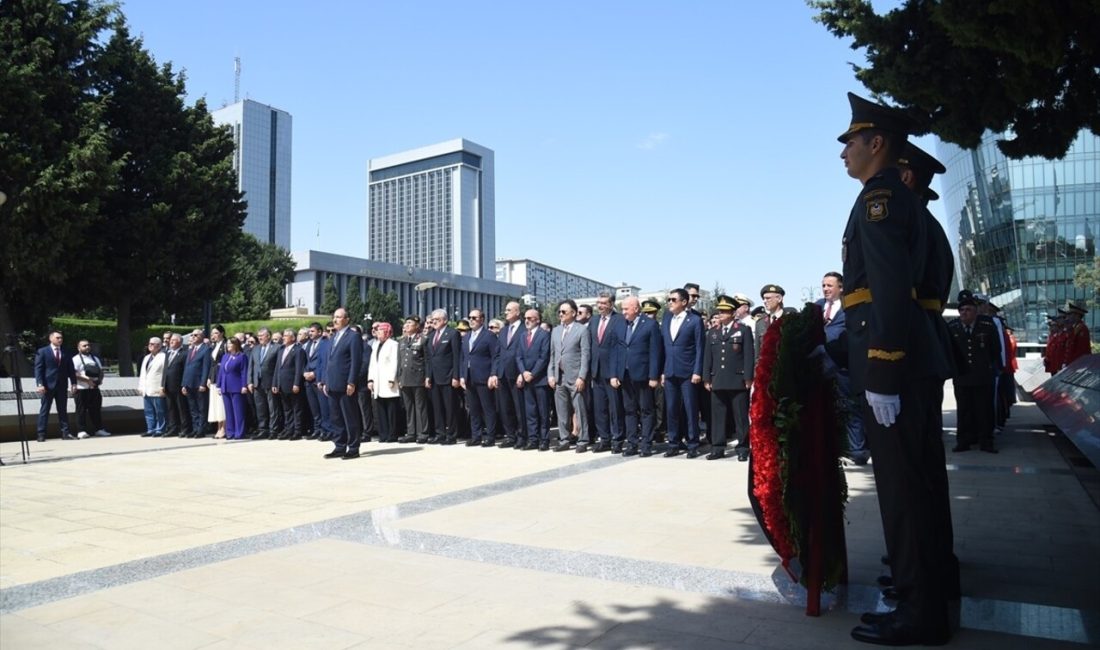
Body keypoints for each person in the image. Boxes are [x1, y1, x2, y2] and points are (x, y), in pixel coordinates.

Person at [835, 93, 954, 646]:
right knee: (919, 486)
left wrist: (881, 372)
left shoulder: (879, 200)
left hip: (894, 366)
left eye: (850, 142)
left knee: (904, 491)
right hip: (911, 359)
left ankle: (918, 612)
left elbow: (886, 291)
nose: (843, 153)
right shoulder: (892, 201)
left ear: (877, 143)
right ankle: (926, 593)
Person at [817, 272, 869, 464]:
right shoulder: (817, 307)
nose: (825, 289)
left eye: (830, 285)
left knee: (851, 408)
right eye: (823, 285)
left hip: (844, 366)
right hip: (821, 367)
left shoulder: (850, 308)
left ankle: (858, 450)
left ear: (841, 287)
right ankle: (833, 448)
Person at [947, 291, 1002, 453]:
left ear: (975, 311)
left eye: (968, 309)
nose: (964, 313)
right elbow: (949, 351)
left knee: (984, 410)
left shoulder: (987, 325)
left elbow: (995, 349)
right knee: (964, 410)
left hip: (983, 376)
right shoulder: (953, 327)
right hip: (962, 377)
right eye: (962, 310)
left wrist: (988, 367)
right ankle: (963, 440)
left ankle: (986, 441)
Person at [701, 295, 754, 461]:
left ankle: (743, 447)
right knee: (717, 415)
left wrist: (748, 377)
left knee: (740, 415)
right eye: (720, 311)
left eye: (725, 311)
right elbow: (708, 357)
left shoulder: (742, 330)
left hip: (737, 380)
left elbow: (748, 356)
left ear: (732, 312)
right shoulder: (713, 333)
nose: (721, 314)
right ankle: (717, 447)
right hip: (718, 379)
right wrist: (706, 378)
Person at [610, 296, 662, 457]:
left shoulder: (650, 324)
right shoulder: (619, 324)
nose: (623, 312)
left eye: (626, 309)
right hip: (624, 375)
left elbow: (655, 352)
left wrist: (654, 376)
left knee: (646, 410)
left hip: (643, 375)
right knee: (629, 410)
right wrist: (614, 374)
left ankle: (646, 444)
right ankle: (632, 444)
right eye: (622, 308)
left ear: (636, 309)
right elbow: (615, 351)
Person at [660, 288, 705, 458]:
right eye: (669, 299)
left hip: (688, 372)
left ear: (684, 302)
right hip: (670, 371)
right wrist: (662, 371)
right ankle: (673, 443)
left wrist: (697, 371)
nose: (670, 302)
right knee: (671, 409)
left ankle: (693, 443)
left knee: (690, 409)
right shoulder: (666, 319)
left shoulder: (694, 320)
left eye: (673, 299)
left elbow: (700, 348)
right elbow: (664, 348)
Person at [549, 299, 590, 452]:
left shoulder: (582, 330)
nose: (560, 314)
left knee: (579, 409)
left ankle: (583, 439)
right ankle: (564, 439)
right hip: (559, 377)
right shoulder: (556, 331)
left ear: (573, 313)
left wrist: (582, 376)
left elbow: (586, 355)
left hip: (575, 376)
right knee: (561, 410)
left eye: (563, 312)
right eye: (559, 312)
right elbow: (552, 355)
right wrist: (551, 375)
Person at [323, 307, 363, 459]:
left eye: (339, 317)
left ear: (347, 319)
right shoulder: (333, 337)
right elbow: (329, 361)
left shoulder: (353, 337)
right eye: (334, 317)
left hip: (346, 383)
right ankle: (339, 445)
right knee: (336, 417)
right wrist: (326, 381)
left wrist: (351, 382)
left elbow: (356, 361)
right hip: (332, 383)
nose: (335, 320)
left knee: (350, 416)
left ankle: (353, 447)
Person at [589, 291, 625, 452]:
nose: (600, 305)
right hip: (596, 371)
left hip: (612, 373)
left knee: (615, 408)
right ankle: (604, 439)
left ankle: (617, 440)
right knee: (600, 408)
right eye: (599, 302)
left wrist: (615, 373)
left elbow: (620, 348)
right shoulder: (594, 320)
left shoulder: (619, 320)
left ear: (611, 304)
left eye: (604, 303)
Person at [460, 308, 499, 446]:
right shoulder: (466, 337)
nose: (471, 320)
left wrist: (493, 374)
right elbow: (463, 358)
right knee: (474, 408)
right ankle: (476, 436)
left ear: (482, 319)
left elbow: (495, 356)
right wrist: (462, 375)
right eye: (470, 317)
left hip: (484, 376)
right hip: (469, 377)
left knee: (487, 408)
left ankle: (490, 436)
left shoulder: (489, 336)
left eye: (474, 318)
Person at [425, 308, 461, 444]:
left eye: (437, 320)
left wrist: (456, 376)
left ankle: (451, 435)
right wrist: (428, 376)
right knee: (437, 407)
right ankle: (440, 433)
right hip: (434, 377)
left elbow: (457, 357)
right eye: (433, 320)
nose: (434, 322)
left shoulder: (452, 334)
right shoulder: (430, 335)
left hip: (448, 376)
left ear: (445, 320)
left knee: (450, 407)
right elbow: (429, 358)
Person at [493, 301, 526, 449]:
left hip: (517, 374)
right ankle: (510, 435)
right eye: (505, 310)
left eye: (509, 310)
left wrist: (521, 373)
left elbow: (525, 353)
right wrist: (494, 373)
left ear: (517, 312)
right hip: (503, 374)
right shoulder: (504, 330)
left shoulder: (524, 329)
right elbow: (498, 354)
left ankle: (522, 436)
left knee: (519, 407)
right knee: (505, 407)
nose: (505, 312)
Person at [34, 329, 75, 442]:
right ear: (51, 338)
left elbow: (70, 369)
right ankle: (41, 434)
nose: (60, 340)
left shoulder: (66, 352)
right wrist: (40, 384)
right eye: (57, 338)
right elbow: (38, 369)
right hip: (47, 385)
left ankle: (65, 433)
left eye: (61, 338)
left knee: (62, 409)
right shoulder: (43, 351)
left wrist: (74, 383)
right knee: (45, 410)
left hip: (62, 385)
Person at [397, 316, 430, 443]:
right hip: (405, 378)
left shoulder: (423, 339)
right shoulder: (402, 341)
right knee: (409, 407)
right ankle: (411, 432)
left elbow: (427, 360)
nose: (407, 325)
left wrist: (427, 377)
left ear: (417, 326)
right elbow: (400, 361)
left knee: (420, 406)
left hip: (418, 377)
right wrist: (399, 378)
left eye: (410, 323)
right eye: (406, 323)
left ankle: (422, 433)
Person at [367, 322, 401, 442]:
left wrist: (392, 378)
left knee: (391, 408)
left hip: (388, 381)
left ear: (387, 332)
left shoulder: (393, 344)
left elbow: (394, 362)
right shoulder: (376, 345)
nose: (378, 332)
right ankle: (383, 434)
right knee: (380, 408)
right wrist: (370, 379)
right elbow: (372, 364)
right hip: (378, 381)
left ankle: (392, 435)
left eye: (380, 330)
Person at [273, 327, 306, 440]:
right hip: (282, 385)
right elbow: (277, 368)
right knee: (287, 409)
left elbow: (298, 368)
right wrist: (275, 384)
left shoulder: (298, 350)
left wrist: (297, 383)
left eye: (286, 335)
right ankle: (289, 429)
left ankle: (297, 431)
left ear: (292, 338)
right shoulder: (281, 350)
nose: (284, 337)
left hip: (292, 384)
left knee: (296, 409)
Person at [72, 339, 109, 438]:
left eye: (88, 345)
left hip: (94, 388)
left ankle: (99, 429)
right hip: (81, 389)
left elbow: (101, 371)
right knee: (81, 410)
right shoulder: (75, 359)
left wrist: (100, 380)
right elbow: (74, 374)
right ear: (78, 348)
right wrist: (87, 380)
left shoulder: (95, 358)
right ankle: (81, 430)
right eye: (84, 346)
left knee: (96, 410)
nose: (87, 347)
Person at [303, 322, 332, 441]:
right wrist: (304, 372)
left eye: (312, 331)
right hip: (308, 381)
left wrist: (314, 374)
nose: (310, 333)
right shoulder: (309, 344)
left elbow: (324, 362)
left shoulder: (325, 343)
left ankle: (327, 431)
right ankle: (317, 429)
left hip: (319, 379)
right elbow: (306, 361)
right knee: (314, 408)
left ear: (320, 332)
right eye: (309, 331)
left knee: (323, 407)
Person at [248, 328, 279, 440]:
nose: (260, 337)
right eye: (259, 335)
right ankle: (262, 429)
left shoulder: (276, 348)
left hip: (270, 382)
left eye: (262, 335)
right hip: (257, 383)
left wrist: (276, 382)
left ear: (269, 336)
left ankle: (273, 430)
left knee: (272, 408)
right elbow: (251, 366)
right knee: (260, 408)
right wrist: (250, 381)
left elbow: (277, 368)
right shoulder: (255, 349)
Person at [218, 337, 250, 440]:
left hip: (237, 386)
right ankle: (230, 432)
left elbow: (244, 372)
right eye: (227, 344)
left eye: (230, 344)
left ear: (236, 345)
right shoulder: (225, 356)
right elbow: (221, 372)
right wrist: (219, 385)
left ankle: (239, 432)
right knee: (228, 411)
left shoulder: (241, 356)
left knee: (238, 411)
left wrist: (244, 385)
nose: (228, 346)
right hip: (225, 386)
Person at [181, 330, 211, 438]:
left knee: (201, 408)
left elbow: (206, 367)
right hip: (189, 383)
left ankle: (201, 430)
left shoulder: (206, 349)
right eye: (192, 335)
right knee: (193, 409)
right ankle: (195, 428)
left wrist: (203, 383)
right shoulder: (191, 349)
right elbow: (186, 368)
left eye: (195, 335)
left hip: (199, 384)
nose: (193, 337)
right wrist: (184, 384)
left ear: (202, 336)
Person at [754, 284, 795, 360]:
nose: (764, 301)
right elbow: (757, 354)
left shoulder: (791, 320)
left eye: (768, 298)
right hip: (766, 369)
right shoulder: (760, 323)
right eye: (764, 298)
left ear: (779, 299)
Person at [139, 337, 167, 437]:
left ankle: (160, 429)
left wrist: (163, 387)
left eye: (153, 344)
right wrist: (141, 386)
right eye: (149, 343)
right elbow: (143, 373)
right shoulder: (147, 357)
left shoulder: (163, 356)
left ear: (159, 346)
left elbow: (165, 373)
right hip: (146, 389)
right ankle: (150, 429)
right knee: (149, 411)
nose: (150, 345)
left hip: (157, 388)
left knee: (160, 411)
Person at [161, 333, 188, 437]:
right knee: (171, 408)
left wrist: (184, 384)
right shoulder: (167, 353)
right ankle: (173, 428)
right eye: (170, 339)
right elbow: (164, 371)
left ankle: (184, 428)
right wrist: (162, 385)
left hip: (178, 386)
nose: (171, 341)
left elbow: (185, 370)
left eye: (174, 340)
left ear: (180, 342)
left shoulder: (184, 353)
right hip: (168, 386)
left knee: (181, 408)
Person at [206, 325, 227, 439]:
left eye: (215, 333)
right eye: (212, 333)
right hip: (214, 375)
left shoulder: (225, 345)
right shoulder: (214, 346)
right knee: (215, 404)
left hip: (222, 376)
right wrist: (209, 377)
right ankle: (218, 427)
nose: (213, 335)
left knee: (221, 404)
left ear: (222, 333)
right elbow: (212, 363)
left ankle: (224, 427)